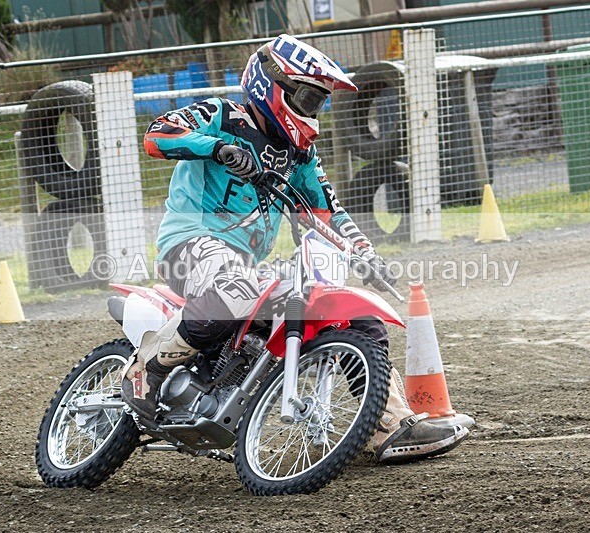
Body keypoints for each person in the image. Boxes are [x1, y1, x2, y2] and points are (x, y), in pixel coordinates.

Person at [121, 34, 468, 463]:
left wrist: (365, 254)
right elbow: (157, 135)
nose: (312, 111)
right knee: (237, 287)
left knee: (354, 316)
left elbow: (326, 210)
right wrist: (220, 148)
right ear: (271, 84)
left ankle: (387, 424)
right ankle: (147, 366)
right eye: (306, 98)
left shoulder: (300, 155)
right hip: (190, 244)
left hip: (247, 265)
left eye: (318, 102)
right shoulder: (221, 115)